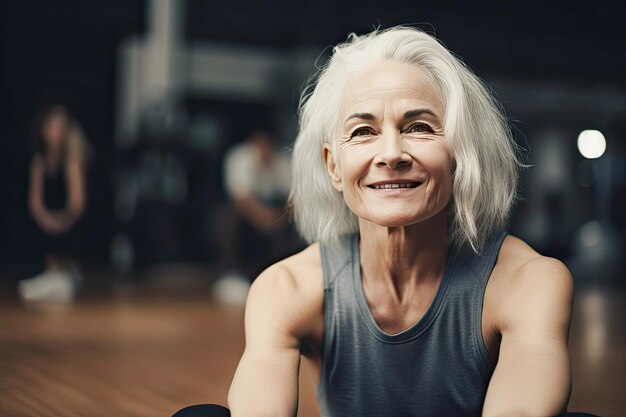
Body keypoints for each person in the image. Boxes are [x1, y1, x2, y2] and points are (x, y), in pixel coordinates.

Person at [174, 26, 591, 417]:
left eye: (419, 127)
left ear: (460, 154)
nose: (391, 154)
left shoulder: (528, 282)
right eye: (362, 133)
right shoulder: (287, 288)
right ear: (333, 167)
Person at [213, 130, 297, 304]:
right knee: (227, 218)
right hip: (247, 211)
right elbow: (241, 198)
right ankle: (232, 274)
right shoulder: (239, 158)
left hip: (274, 210)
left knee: (297, 221)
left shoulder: (281, 161)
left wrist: (278, 217)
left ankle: (280, 275)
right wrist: (264, 218)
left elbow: (293, 198)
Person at [19, 104, 92, 302]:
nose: (55, 132)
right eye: (52, 126)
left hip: (68, 222)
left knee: (66, 240)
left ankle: (64, 278)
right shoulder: (40, 159)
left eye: (60, 127)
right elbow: (34, 202)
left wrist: (62, 222)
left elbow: (77, 203)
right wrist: (45, 219)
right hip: (46, 220)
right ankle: (51, 278)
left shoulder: (72, 158)